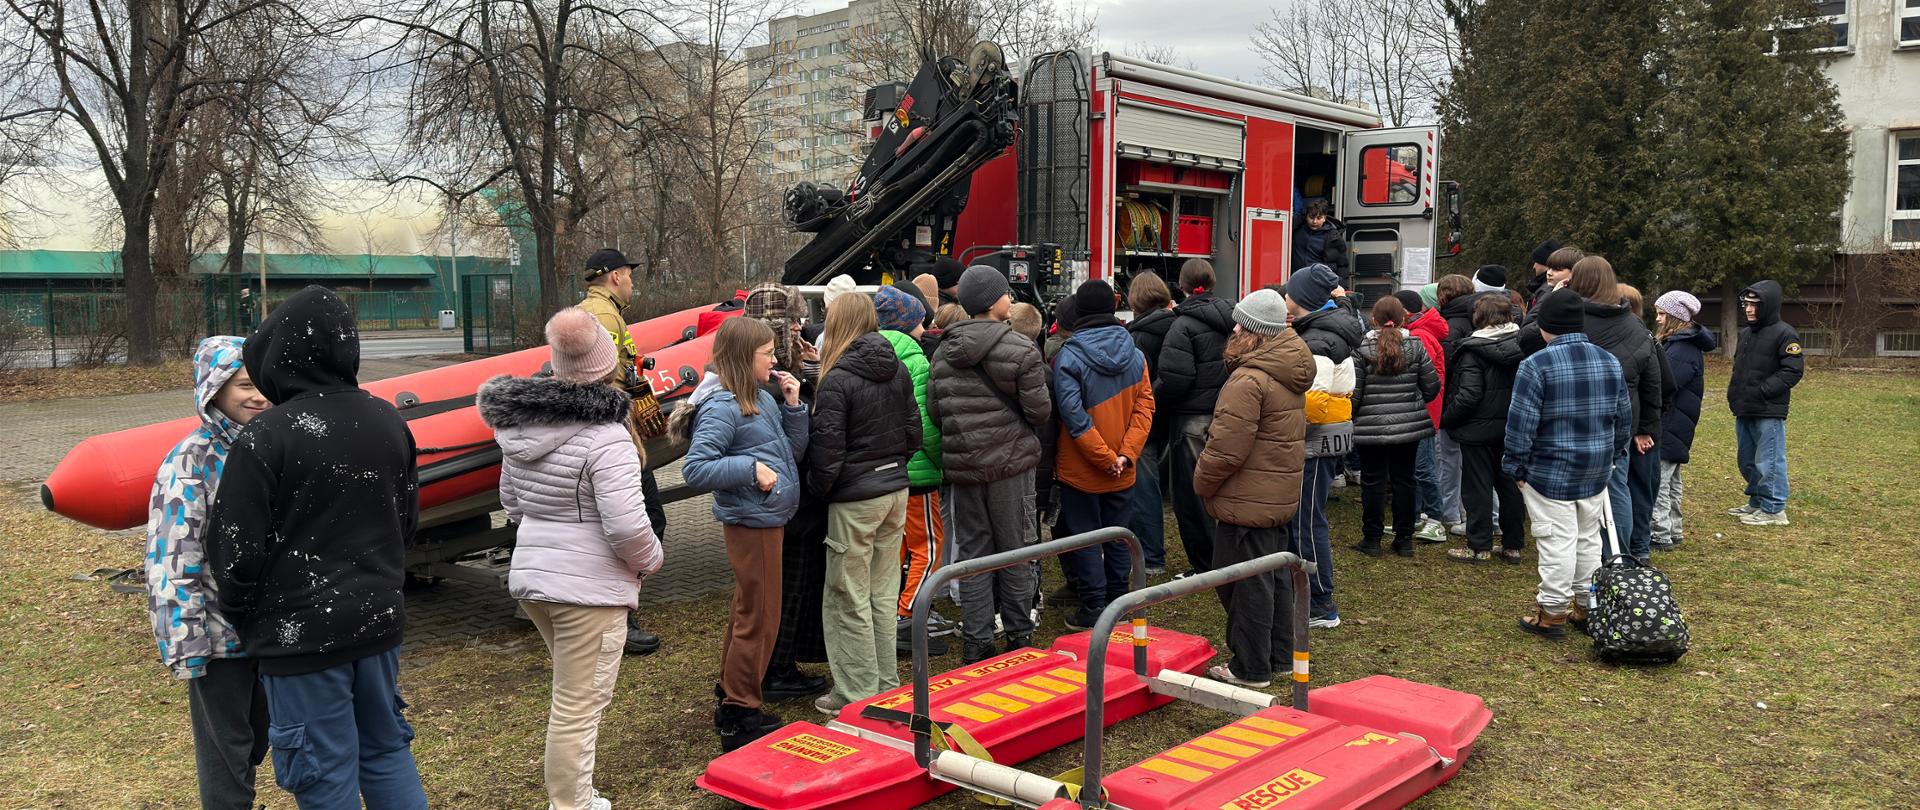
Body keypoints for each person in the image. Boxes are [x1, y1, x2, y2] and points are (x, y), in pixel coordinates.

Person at [205, 286, 428, 809]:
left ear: (277, 356)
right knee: (386, 749)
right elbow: (407, 521)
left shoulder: (266, 436)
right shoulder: (387, 419)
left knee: (321, 772)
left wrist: (246, 617)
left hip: (297, 639)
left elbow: (234, 553)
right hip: (378, 623)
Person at [479, 309, 664, 810]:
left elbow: (512, 503)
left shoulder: (519, 428)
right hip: (589, 589)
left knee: (570, 699)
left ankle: (575, 797)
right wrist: (651, 561)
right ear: (609, 366)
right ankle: (573, 804)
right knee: (578, 707)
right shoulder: (609, 438)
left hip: (536, 579)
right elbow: (627, 525)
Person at [144, 335, 271, 810]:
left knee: (262, 735)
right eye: (242, 385)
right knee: (227, 753)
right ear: (213, 390)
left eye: (262, 382)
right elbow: (170, 558)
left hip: (274, 630)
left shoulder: (274, 446)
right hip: (217, 638)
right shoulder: (189, 461)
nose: (257, 394)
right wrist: (185, 639)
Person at [678, 317, 810, 751]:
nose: (775, 359)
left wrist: (793, 407)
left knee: (748, 612)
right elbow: (695, 469)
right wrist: (749, 469)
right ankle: (740, 713)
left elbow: (786, 455)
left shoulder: (759, 398)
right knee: (759, 617)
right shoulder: (722, 406)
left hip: (766, 518)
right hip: (751, 522)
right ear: (742, 357)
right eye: (767, 353)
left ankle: (732, 696)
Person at [927, 266, 1051, 663]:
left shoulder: (943, 351)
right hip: (1011, 468)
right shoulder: (1019, 348)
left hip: (964, 468)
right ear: (993, 301)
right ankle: (1018, 635)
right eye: (1005, 293)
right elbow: (1039, 411)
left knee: (975, 556)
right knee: (1015, 551)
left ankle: (977, 641)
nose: (1010, 298)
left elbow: (935, 411)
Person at [1194, 289, 1315, 688]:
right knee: (1274, 576)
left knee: (1246, 584)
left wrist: (1202, 482)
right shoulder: (1288, 367)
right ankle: (1279, 656)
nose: (1233, 328)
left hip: (1246, 498)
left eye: (1240, 323)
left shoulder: (1248, 379)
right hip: (1275, 492)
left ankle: (1250, 667)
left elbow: (1226, 448)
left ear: (1254, 332)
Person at [805, 294, 919, 714]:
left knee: (847, 597)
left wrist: (820, 490)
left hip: (855, 498)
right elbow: (914, 435)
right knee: (882, 593)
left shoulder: (837, 378)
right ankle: (886, 684)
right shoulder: (897, 366)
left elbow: (827, 451)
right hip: (894, 492)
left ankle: (856, 695)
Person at [1504, 289, 1631, 639]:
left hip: (1549, 470)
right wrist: (1612, 456)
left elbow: (1521, 423)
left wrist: (1515, 466)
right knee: (1588, 539)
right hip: (1596, 468)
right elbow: (1623, 418)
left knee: (1556, 541)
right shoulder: (1609, 360)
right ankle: (1586, 607)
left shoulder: (1535, 365)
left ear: (1546, 326)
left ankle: (1552, 612)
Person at [740, 284, 831, 701]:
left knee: (794, 587)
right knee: (785, 590)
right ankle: (776, 669)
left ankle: (784, 661)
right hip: (785, 506)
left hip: (796, 503)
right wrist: (809, 385)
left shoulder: (781, 372)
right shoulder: (766, 386)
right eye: (792, 321)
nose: (800, 327)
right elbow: (787, 448)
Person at [577, 248, 667, 656]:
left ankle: (615, 615)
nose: (632, 281)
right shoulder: (605, 317)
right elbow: (602, 380)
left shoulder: (593, 312)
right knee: (647, 517)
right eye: (629, 274)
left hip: (610, 431)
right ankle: (618, 618)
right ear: (614, 276)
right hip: (614, 434)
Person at [1053, 280, 1156, 631]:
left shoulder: (1068, 355)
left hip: (1081, 468)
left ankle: (1093, 607)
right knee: (1118, 535)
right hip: (1123, 468)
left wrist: (1103, 457)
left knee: (1084, 537)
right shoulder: (1136, 352)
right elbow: (1146, 408)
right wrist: (1126, 455)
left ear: (1079, 311)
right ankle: (1119, 602)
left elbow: (1073, 415)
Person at [1566, 258, 1666, 563]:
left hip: (1573, 413)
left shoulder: (1569, 319)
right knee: (1616, 486)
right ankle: (1618, 553)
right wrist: (1646, 426)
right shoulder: (1636, 325)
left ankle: (1578, 553)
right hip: (1620, 418)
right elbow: (1653, 381)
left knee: (1570, 491)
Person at [1278, 264, 1359, 628]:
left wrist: (1283, 422)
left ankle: (1320, 603)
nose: (1285, 297)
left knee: (1307, 523)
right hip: (1327, 439)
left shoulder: (1319, 340)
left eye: (1289, 292)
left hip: (1314, 443)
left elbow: (1312, 402)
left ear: (1302, 299)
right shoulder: (1328, 328)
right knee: (1307, 519)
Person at [874, 287, 953, 655]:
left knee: (898, 549)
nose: (925, 329)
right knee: (930, 549)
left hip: (884, 472)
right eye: (921, 321)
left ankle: (893, 609)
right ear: (909, 323)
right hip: (919, 474)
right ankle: (909, 615)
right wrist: (940, 463)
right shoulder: (916, 360)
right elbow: (925, 423)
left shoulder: (868, 352)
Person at [1157, 259, 1236, 574]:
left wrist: (1154, 399)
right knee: (1225, 488)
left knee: (1192, 496)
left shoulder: (1182, 325)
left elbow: (1176, 378)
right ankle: (1231, 555)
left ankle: (1206, 563)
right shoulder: (1236, 319)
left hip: (1191, 421)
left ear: (1183, 286)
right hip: (1229, 413)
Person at [1350, 295, 1440, 558]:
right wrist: (1413, 401)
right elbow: (1432, 386)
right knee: (1405, 480)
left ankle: (1372, 539)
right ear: (1404, 318)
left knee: (1373, 482)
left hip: (1370, 426)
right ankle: (1404, 539)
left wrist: (1356, 417)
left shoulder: (1362, 349)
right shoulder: (1416, 347)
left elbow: (1355, 393)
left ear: (1373, 320)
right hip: (1409, 426)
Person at [1441, 295, 1528, 564]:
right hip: (1512, 427)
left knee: (1477, 488)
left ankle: (1479, 546)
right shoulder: (1523, 345)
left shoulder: (1472, 350)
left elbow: (1468, 394)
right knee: (1509, 486)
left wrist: (1448, 419)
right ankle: (1513, 545)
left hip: (1477, 430)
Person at [1727, 279, 1804, 527]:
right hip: (1745, 407)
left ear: (1768, 306)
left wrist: (1763, 391)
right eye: (1746, 304)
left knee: (1769, 459)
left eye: (1754, 305)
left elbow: (1792, 371)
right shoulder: (1746, 333)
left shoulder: (1785, 333)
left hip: (1768, 410)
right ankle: (1757, 501)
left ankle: (1774, 509)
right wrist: (1736, 396)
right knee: (1747, 458)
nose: (1749, 309)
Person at [1653, 290, 1716, 550]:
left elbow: (1667, 384)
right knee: (1672, 478)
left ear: (1674, 318)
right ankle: (1674, 529)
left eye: (1661, 314)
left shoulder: (1680, 348)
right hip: (1678, 422)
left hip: (1671, 422)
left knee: (1660, 480)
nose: (1657, 319)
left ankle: (1659, 532)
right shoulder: (1682, 344)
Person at [1124, 271, 1177, 575]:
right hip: (1172, 417)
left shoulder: (1140, 335)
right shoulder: (1174, 324)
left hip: (1147, 420)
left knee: (1143, 489)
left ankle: (1151, 556)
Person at [1395, 289, 1453, 542]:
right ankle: (1414, 516)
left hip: (1424, 413)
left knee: (1424, 468)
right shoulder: (1420, 333)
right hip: (1420, 411)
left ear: (1405, 312)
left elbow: (1421, 379)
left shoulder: (1420, 336)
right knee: (1414, 468)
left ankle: (1435, 519)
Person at [1520, 246, 1585, 349]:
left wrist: (1551, 299)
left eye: (1557, 269)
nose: (1549, 273)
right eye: (1549, 267)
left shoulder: (1572, 303)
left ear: (1575, 272)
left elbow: (1526, 336)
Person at [1291, 199, 1349, 278]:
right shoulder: (1297, 229)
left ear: (1324, 218)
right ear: (1306, 216)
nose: (1314, 221)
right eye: (1311, 217)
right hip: (1296, 278)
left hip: (1318, 280)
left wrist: (1341, 285)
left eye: (1319, 218)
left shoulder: (1333, 237)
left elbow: (1342, 264)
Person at [1525, 239, 1562, 310]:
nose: (1534, 266)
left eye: (1536, 262)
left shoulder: (1545, 290)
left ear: (1545, 263)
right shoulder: (1545, 287)